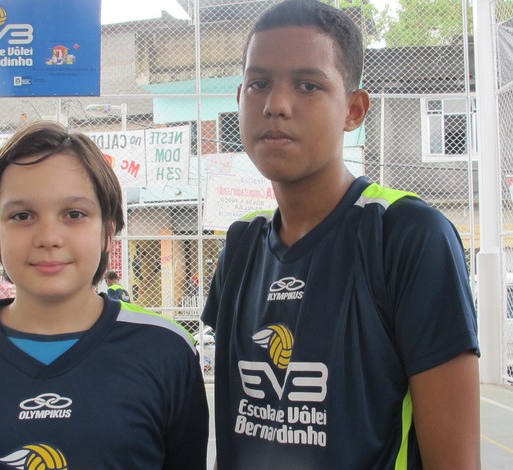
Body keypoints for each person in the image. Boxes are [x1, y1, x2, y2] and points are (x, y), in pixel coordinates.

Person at [201, 1, 480, 469]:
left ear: (353, 110)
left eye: (308, 85)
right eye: (259, 84)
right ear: (239, 98)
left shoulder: (408, 235)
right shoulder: (241, 247)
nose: (276, 105)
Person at [0, 120, 209, 469]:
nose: (49, 236)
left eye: (74, 214)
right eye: (22, 215)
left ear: (106, 232)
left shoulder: (167, 351)